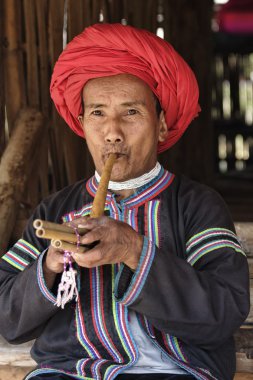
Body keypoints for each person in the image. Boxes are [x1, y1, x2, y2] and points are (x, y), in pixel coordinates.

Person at [0, 23, 250, 380]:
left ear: (161, 125)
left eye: (131, 112)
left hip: (175, 373)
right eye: (98, 113)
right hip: (71, 374)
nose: (112, 132)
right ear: (82, 122)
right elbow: (5, 315)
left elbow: (225, 309)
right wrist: (50, 266)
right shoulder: (55, 211)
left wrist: (133, 249)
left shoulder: (197, 205)